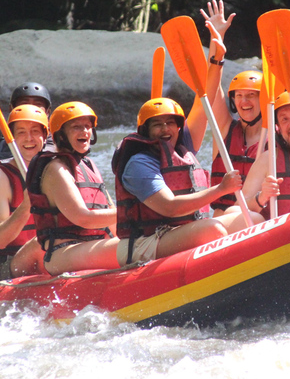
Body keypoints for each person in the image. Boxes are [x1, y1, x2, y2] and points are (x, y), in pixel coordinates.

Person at [112, 97, 263, 266]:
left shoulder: (182, 154)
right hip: (143, 242)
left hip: (175, 232)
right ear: (145, 130)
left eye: (170, 122)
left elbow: (203, 102)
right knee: (211, 230)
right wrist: (221, 189)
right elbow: (169, 206)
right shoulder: (139, 163)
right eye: (157, 124)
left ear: (178, 128)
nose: (165, 128)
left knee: (253, 219)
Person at [26, 101, 119, 275]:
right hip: (64, 252)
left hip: (92, 245)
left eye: (87, 126)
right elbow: (83, 218)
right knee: (136, 247)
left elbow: (111, 215)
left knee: (140, 241)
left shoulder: (89, 165)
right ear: (61, 135)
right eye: (76, 127)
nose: (85, 131)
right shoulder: (56, 169)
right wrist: (135, 212)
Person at [202, 0, 265, 211]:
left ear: (264, 99)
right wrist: (216, 40)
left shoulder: (275, 137)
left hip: (259, 223)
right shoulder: (224, 130)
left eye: (251, 96)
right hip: (223, 223)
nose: (244, 102)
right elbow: (211, 87)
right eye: (239, 95)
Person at [0, 104, 49, 282]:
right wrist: (25, 207)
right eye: (21, 132)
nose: (29, 138)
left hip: (53, 257)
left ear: (45, 137)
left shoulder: (55, 169)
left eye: (34, 131)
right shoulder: (0, 178)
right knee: (43, 243)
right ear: (13, 139)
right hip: (12, 263)